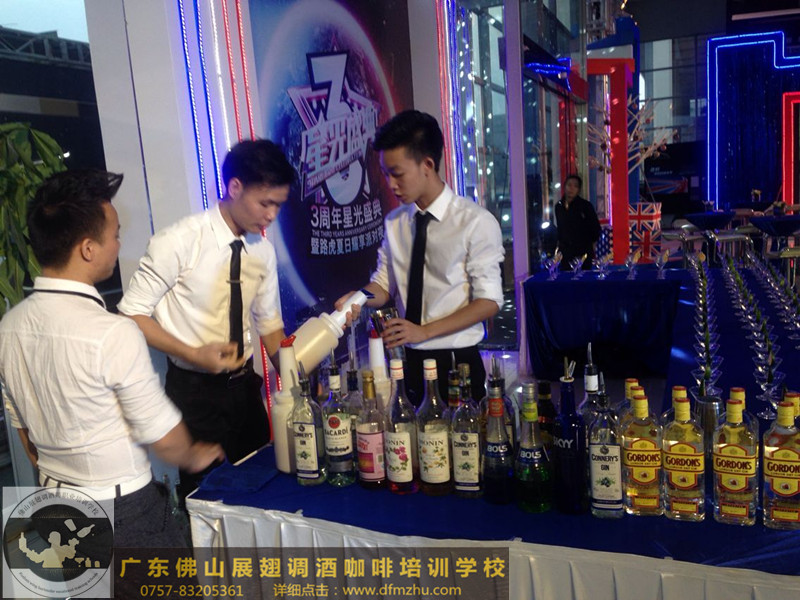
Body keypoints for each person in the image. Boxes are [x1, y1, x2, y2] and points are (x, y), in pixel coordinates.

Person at [0, 170, 224, 549]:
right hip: (123, 512)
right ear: (88, 248)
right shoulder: (113, 333)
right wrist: (192, 453)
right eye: (116, 235)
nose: (119, 245)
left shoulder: (8, 327)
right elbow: (163, 437)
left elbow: (24, 432)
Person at [118, 140, 295, 500]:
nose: (271, 215)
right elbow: (131, 315)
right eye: (265, 203)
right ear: (235, 187)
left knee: (266, 490)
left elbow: (270, 327)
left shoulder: (262, 250)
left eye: (278, 205)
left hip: (245, 390)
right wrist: (194, 354)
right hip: (195, 393)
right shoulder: (178, 241)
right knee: (205, 499)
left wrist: (297, 385)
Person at [337, 110, 504, 405]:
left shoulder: (475, 222)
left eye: (397, 173)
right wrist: (359, 297)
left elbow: (489, 301)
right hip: (407, 358)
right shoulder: (395, 222)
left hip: (455, 361)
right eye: (385, 174)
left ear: (427, 164)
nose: (391, 184)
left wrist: (423, 332)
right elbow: (383, 285)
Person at [554, 174, 601, 269]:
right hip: (565, 253)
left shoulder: (585, 206)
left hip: (582, 252)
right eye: (569, 185)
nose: (571, 188)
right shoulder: (559, 206)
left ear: (578, 190)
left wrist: (589, 244)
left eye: (575, 186)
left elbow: (595, 229)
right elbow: (560, 229)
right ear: (564, 186)